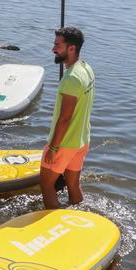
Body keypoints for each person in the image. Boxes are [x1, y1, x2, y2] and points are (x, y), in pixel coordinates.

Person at [40, 27, 95, 210]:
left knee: (46, 185)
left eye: (57, 45)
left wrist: (53, 148)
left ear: (71, 48)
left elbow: (64, 119)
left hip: (65, 143)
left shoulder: (70, 79)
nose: (53, 49)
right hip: (82, 140)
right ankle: (79, 218)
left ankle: (53, 226)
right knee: (73, 185)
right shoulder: (86, 68)